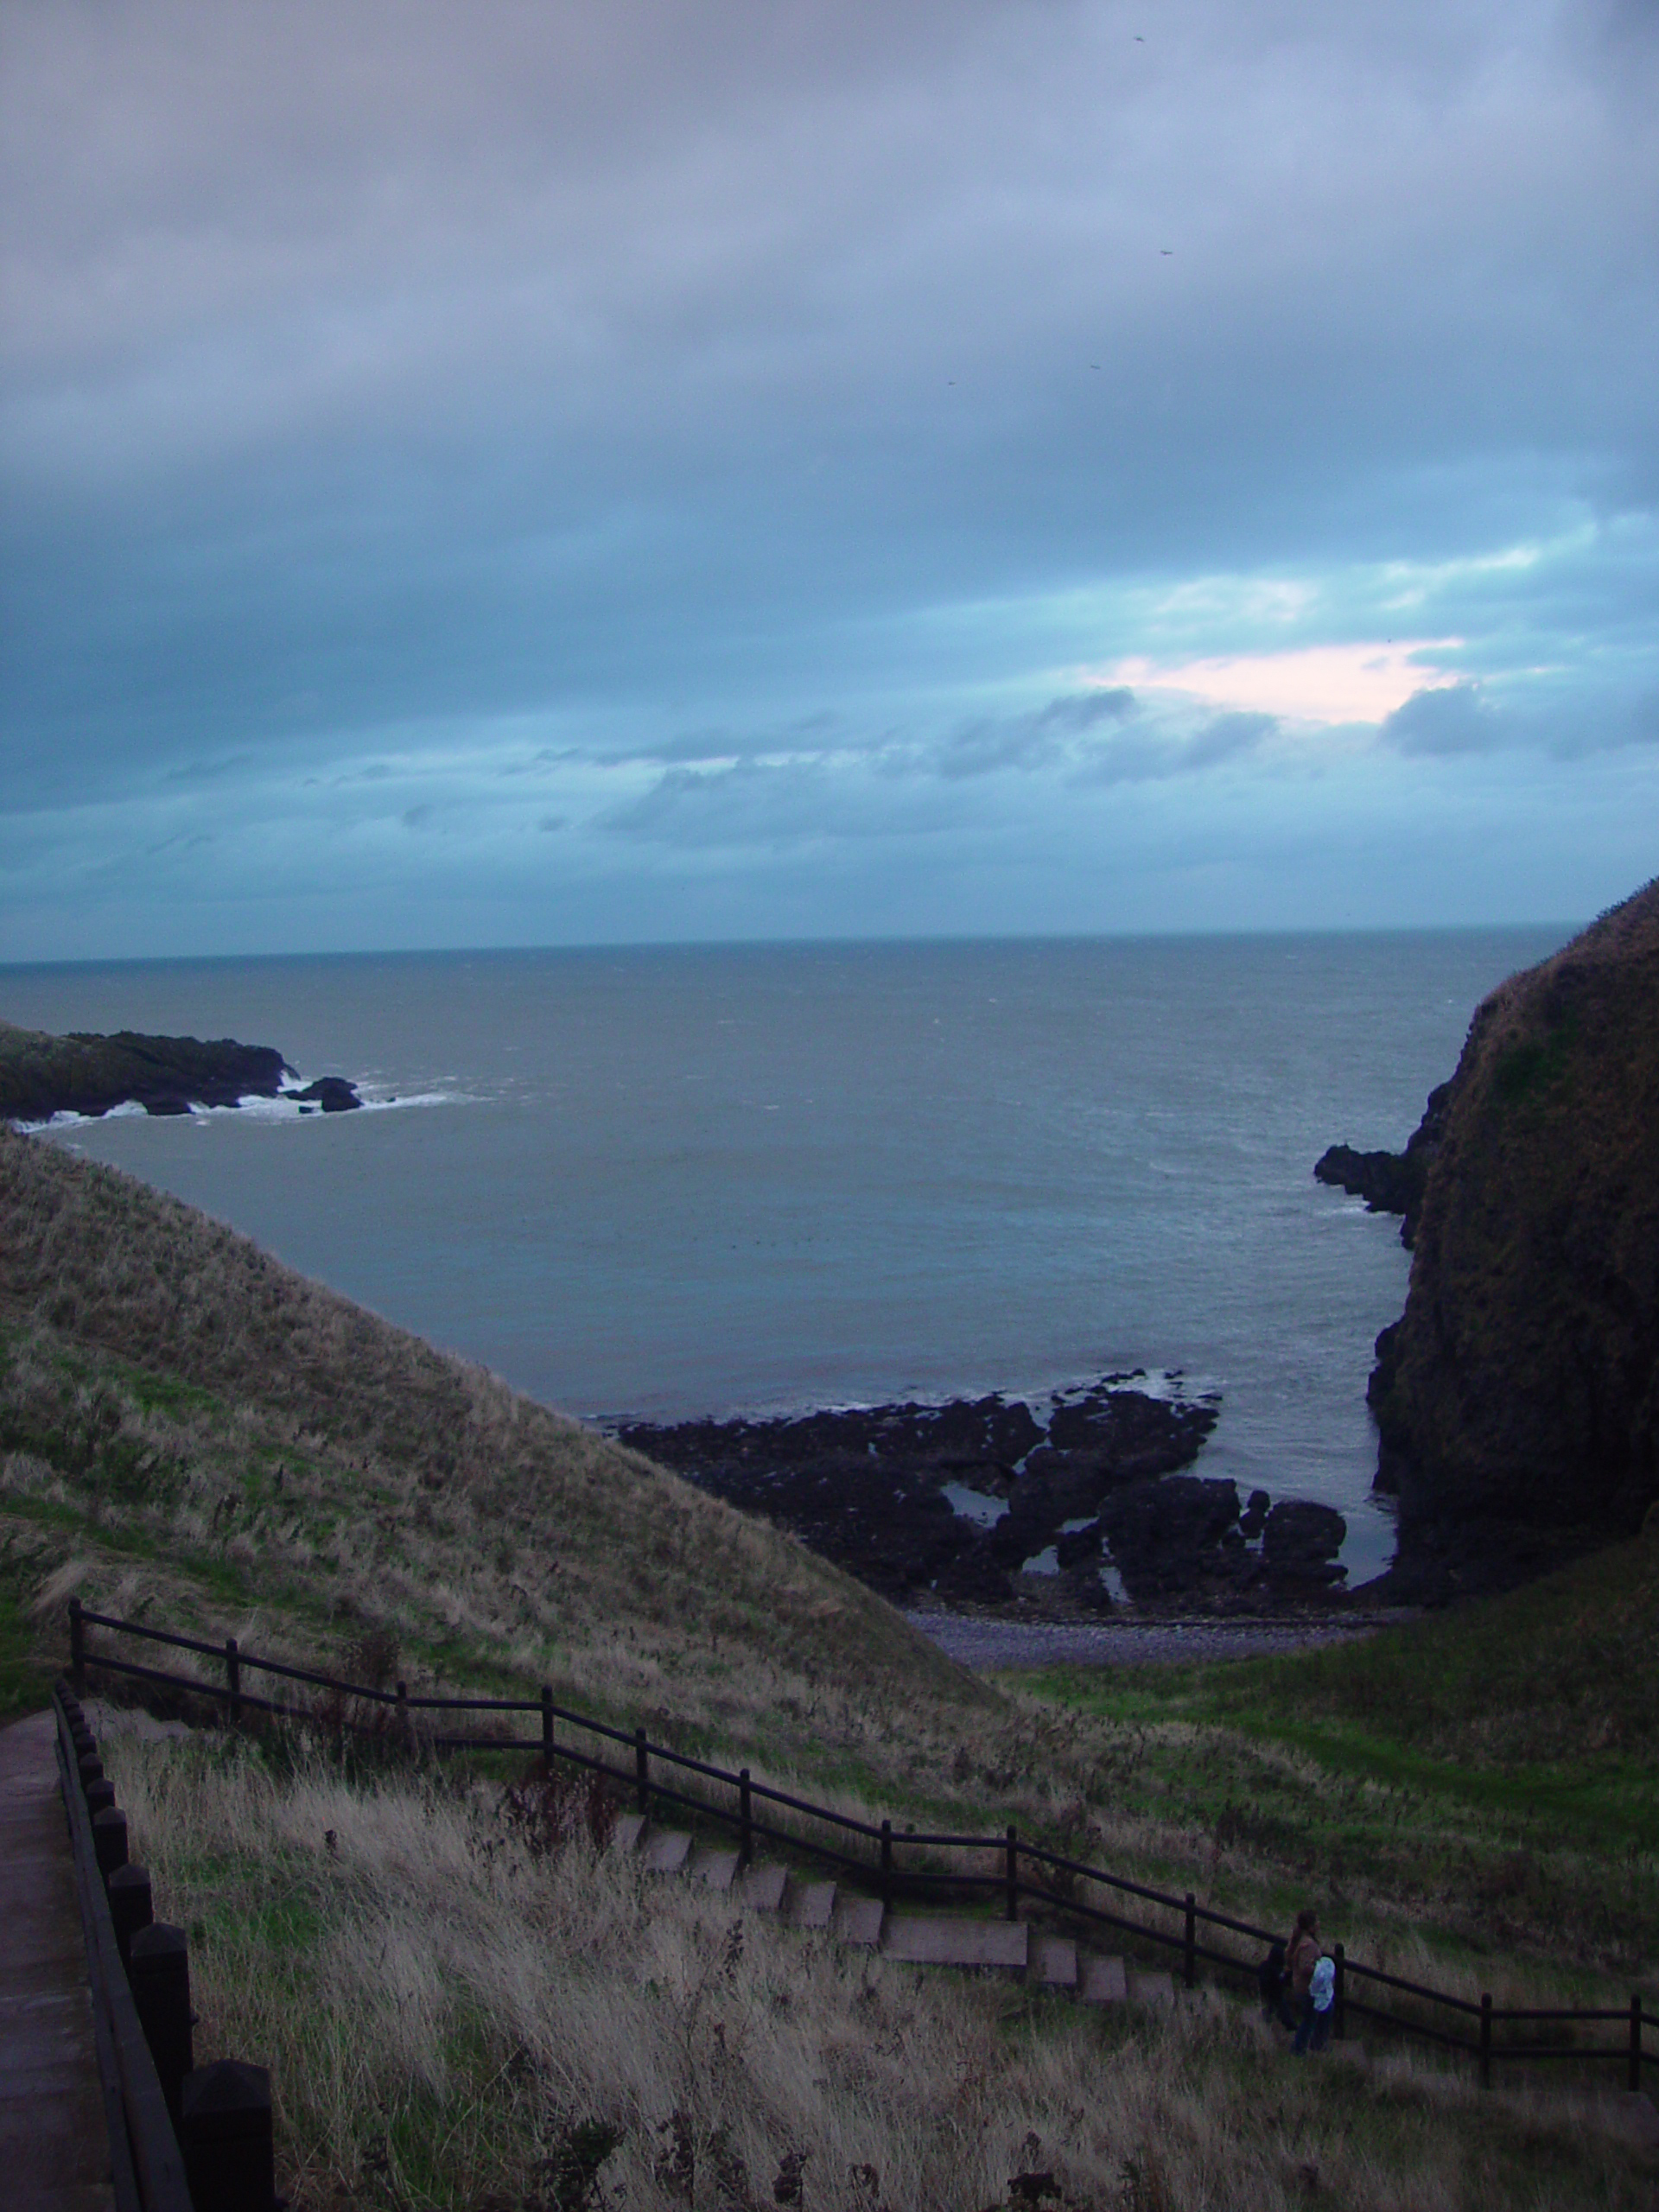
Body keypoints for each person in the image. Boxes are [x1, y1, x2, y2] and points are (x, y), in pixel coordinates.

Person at [1286, 1908, 1321, 2051]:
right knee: (1309, 2021)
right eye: (1317, 1921)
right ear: (1311, 1926)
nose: (1319, 1924)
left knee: (1310, 2020)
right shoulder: (1308, 1945)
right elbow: (1305, 1967)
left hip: (1300, 1987)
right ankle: (1298, 2049)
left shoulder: (1299, 1939)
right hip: (1306, 1989)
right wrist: (1320, 1970)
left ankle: (1306, 2047)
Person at [1300, 1953, 1336, 2055]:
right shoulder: (1318, 1976)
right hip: (1314, 1999)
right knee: (1315, 2021)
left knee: (1310, 2022)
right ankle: (1317, 2045)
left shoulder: (1311, 1972)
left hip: (1311, 1997)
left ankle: (1312, 2044)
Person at [1255, 1938, 1293, 2027]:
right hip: (1276, 1993)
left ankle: (1265, 2021)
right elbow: (1282, 1978)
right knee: (1281, 2009)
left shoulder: (1264, 1965)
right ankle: (1289, 2025)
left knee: (1270, 2007)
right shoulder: (1277, 1970)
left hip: (1264, 1990)